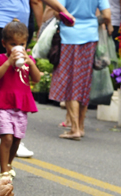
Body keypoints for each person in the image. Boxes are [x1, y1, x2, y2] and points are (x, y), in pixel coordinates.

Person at [0, 0, 75, 155]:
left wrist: (63, 11)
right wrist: (61, 11)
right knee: (10, 78)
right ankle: (12, 137)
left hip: (9, 25)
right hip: (0, 23)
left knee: (9, 80)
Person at [49, 0, 111, 141]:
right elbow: (107, 16)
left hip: (69, 37)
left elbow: (57, 11)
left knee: (70, 81)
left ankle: (74, 128)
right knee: (83, 82)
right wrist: (91, 21)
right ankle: (81, 127)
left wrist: (70, 18)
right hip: (90, 37)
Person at [0, 20, 40, 182]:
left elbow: (37, 79)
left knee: (17, 139)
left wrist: (31, 63)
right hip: (4, 104)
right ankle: (3, 170)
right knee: (7, 138)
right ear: (4, 43)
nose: (17, 47)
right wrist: (8, 62)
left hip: (21, 105)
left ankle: (9, 164)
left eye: (21, 44)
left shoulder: (28, 60)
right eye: (13, 44)